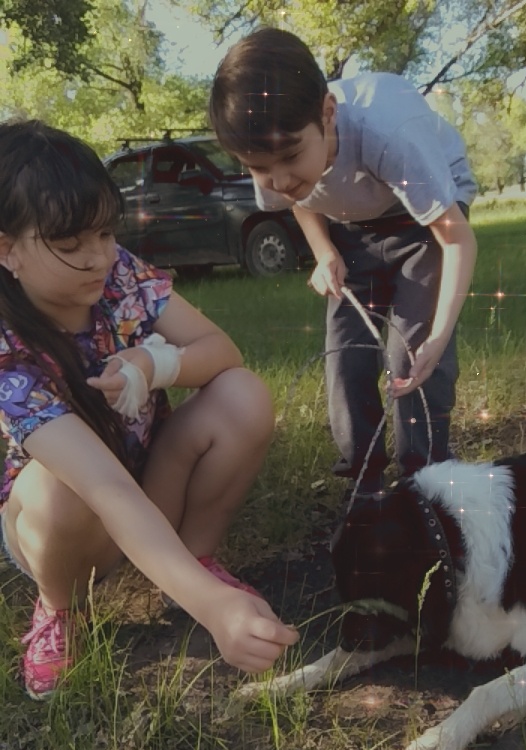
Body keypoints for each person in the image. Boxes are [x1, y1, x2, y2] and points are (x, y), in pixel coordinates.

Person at [0, 119, 298, 700]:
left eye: (107, 234)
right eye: (70, 245)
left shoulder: (119, 275)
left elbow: (222, 351)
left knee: (243, 393)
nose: (98, 257)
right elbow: (103, 486)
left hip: (147, 483)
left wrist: (154, 366)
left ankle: (192, 556)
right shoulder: (8, 343)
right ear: (6, 249)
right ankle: (60, 609)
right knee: (57, 488)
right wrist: (214, 609)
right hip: (65, 524)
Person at [209, 28, 478, 493]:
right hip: (352, 222)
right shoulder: (274, 160)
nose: (277, 179)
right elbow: (300, 196)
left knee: (410, 356)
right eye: (258, 168)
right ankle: (363, 477)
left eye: (291, 156)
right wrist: (324, 251)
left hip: (422, 221)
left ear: (327, 114)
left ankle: (426, 477)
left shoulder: (390, 137)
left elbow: (457, 240)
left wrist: (438, 335)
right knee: (345, 353)